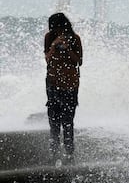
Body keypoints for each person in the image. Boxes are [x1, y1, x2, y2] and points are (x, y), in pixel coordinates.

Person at [44, 13, 82, 164]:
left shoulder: (75, 38)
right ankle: (53, 154)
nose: (56, 31)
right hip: (52, 82)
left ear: (64, 25)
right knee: (53, 120)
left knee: (68, 121)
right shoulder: (49, 37)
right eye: (53, 28)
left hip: (70, 84)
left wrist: (67, 48)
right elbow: (47, 59)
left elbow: (79, 61)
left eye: (58, 27)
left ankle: (69, 154)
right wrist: (54, 45)